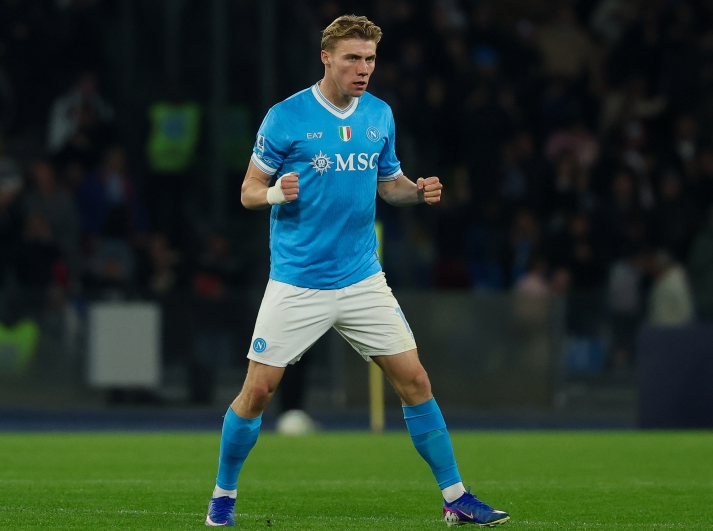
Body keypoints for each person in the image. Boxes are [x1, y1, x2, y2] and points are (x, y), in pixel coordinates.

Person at [204, 15, 510, 527]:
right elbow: (248, 190)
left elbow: (387, 183)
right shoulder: (285, 117)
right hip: (298, 281)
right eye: (352, 58)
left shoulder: (379, 115)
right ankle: (223, 497)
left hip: (362, 278)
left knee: (415, 380)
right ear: (326, 58)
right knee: (257, 392)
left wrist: (416, 191)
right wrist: (277, 192)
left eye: (369, 59)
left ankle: (455, 497)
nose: (363, 68)